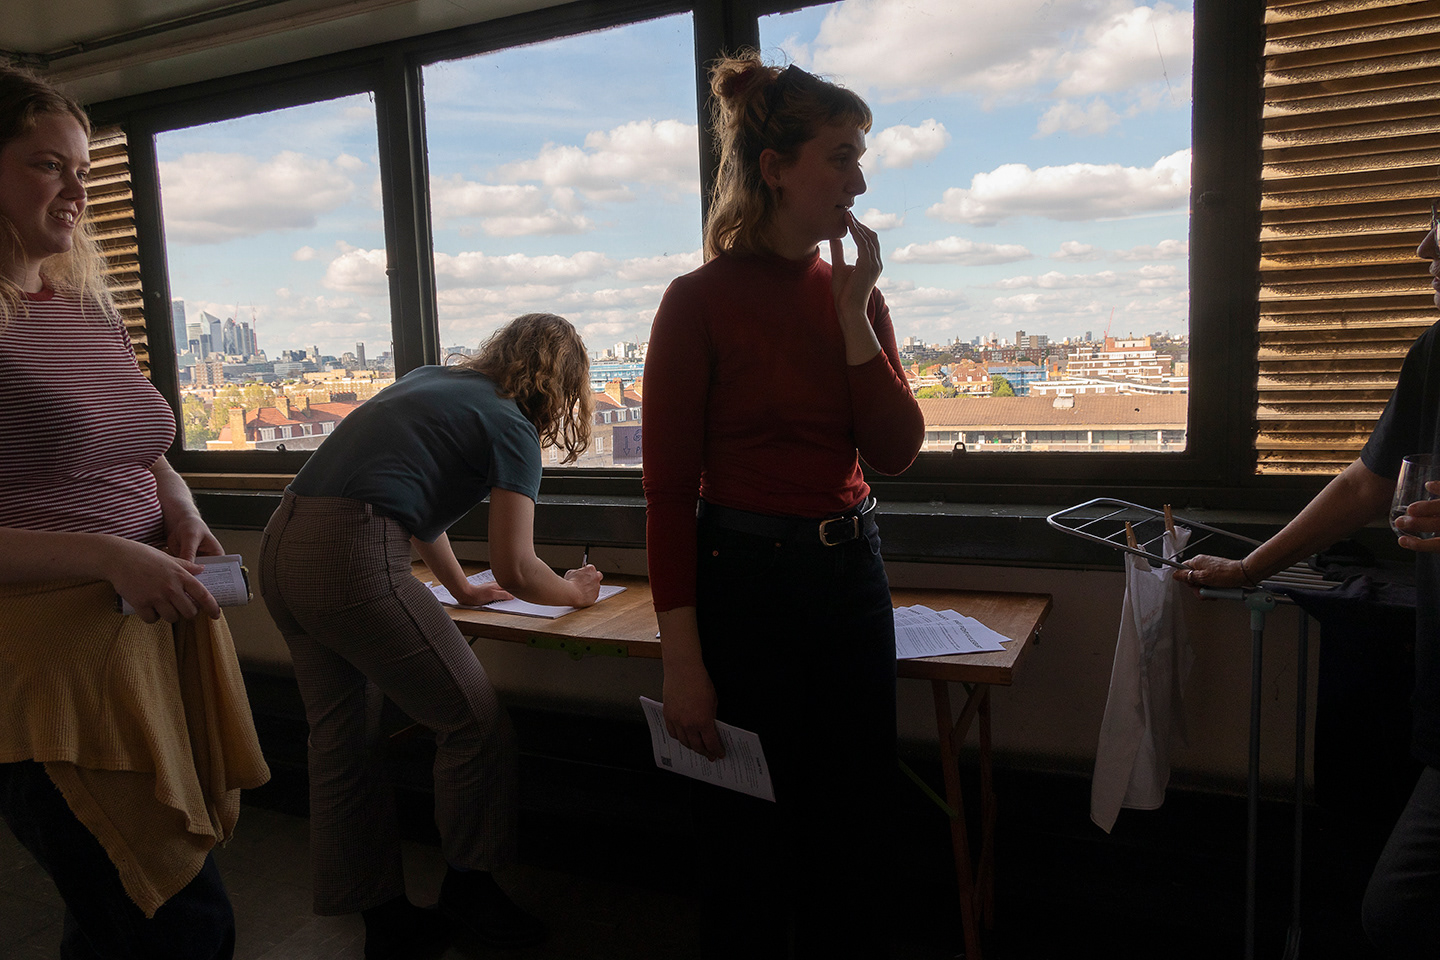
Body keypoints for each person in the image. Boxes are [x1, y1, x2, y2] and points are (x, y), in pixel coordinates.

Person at [642, 53, 925, 958]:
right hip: (746, 585)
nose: (859, 182)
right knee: (747, 842)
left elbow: (896, 452)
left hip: (850, 577)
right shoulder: (697, 303)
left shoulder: (855, 298)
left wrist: (854, 320)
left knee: (855, 826)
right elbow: (666, 495)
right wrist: (683, 663)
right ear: (775, 167)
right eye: (840, 158)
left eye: (859, 159)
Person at [0, 65, 270, 959]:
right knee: (177, 920)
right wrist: (110, 554)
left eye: (82, 169)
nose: (76, 191)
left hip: (138, 641)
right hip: (54, 666)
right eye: (47, 165)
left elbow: (139, 443)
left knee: (118, 916)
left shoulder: (82, 308)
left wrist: (179, 505)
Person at [258, 312, 602, 959]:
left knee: (342, 742)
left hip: (283, 544)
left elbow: (413, 504)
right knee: (473, 723)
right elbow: (517, 567)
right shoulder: (511, 423)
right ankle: (471, 890)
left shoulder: (431, 380)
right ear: (561, 384)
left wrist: (461, 588)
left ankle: (385, 922)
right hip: (349, 553)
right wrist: (575, 590)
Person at [1178, 214, 1440, 958]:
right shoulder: (1435, 354)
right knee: (1397, 914)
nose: (1425, 245)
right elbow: (1366, 485)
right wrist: (1248, 569)